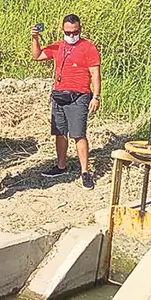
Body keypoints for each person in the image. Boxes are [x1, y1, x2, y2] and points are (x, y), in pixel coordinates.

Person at [31, 14, 102, 189]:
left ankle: (84, 172)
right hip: (59, 95)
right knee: (59, 132)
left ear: (80, 30)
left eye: (75, 32)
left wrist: (96, 96)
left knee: (78, 134)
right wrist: (34, 38)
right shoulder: (58, 46)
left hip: (79, 96)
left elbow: (95, 73)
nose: (71, 35)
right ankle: (61, 165)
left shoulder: (88, 47)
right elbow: (37, 56)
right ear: (63, 30)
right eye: (68, 32)